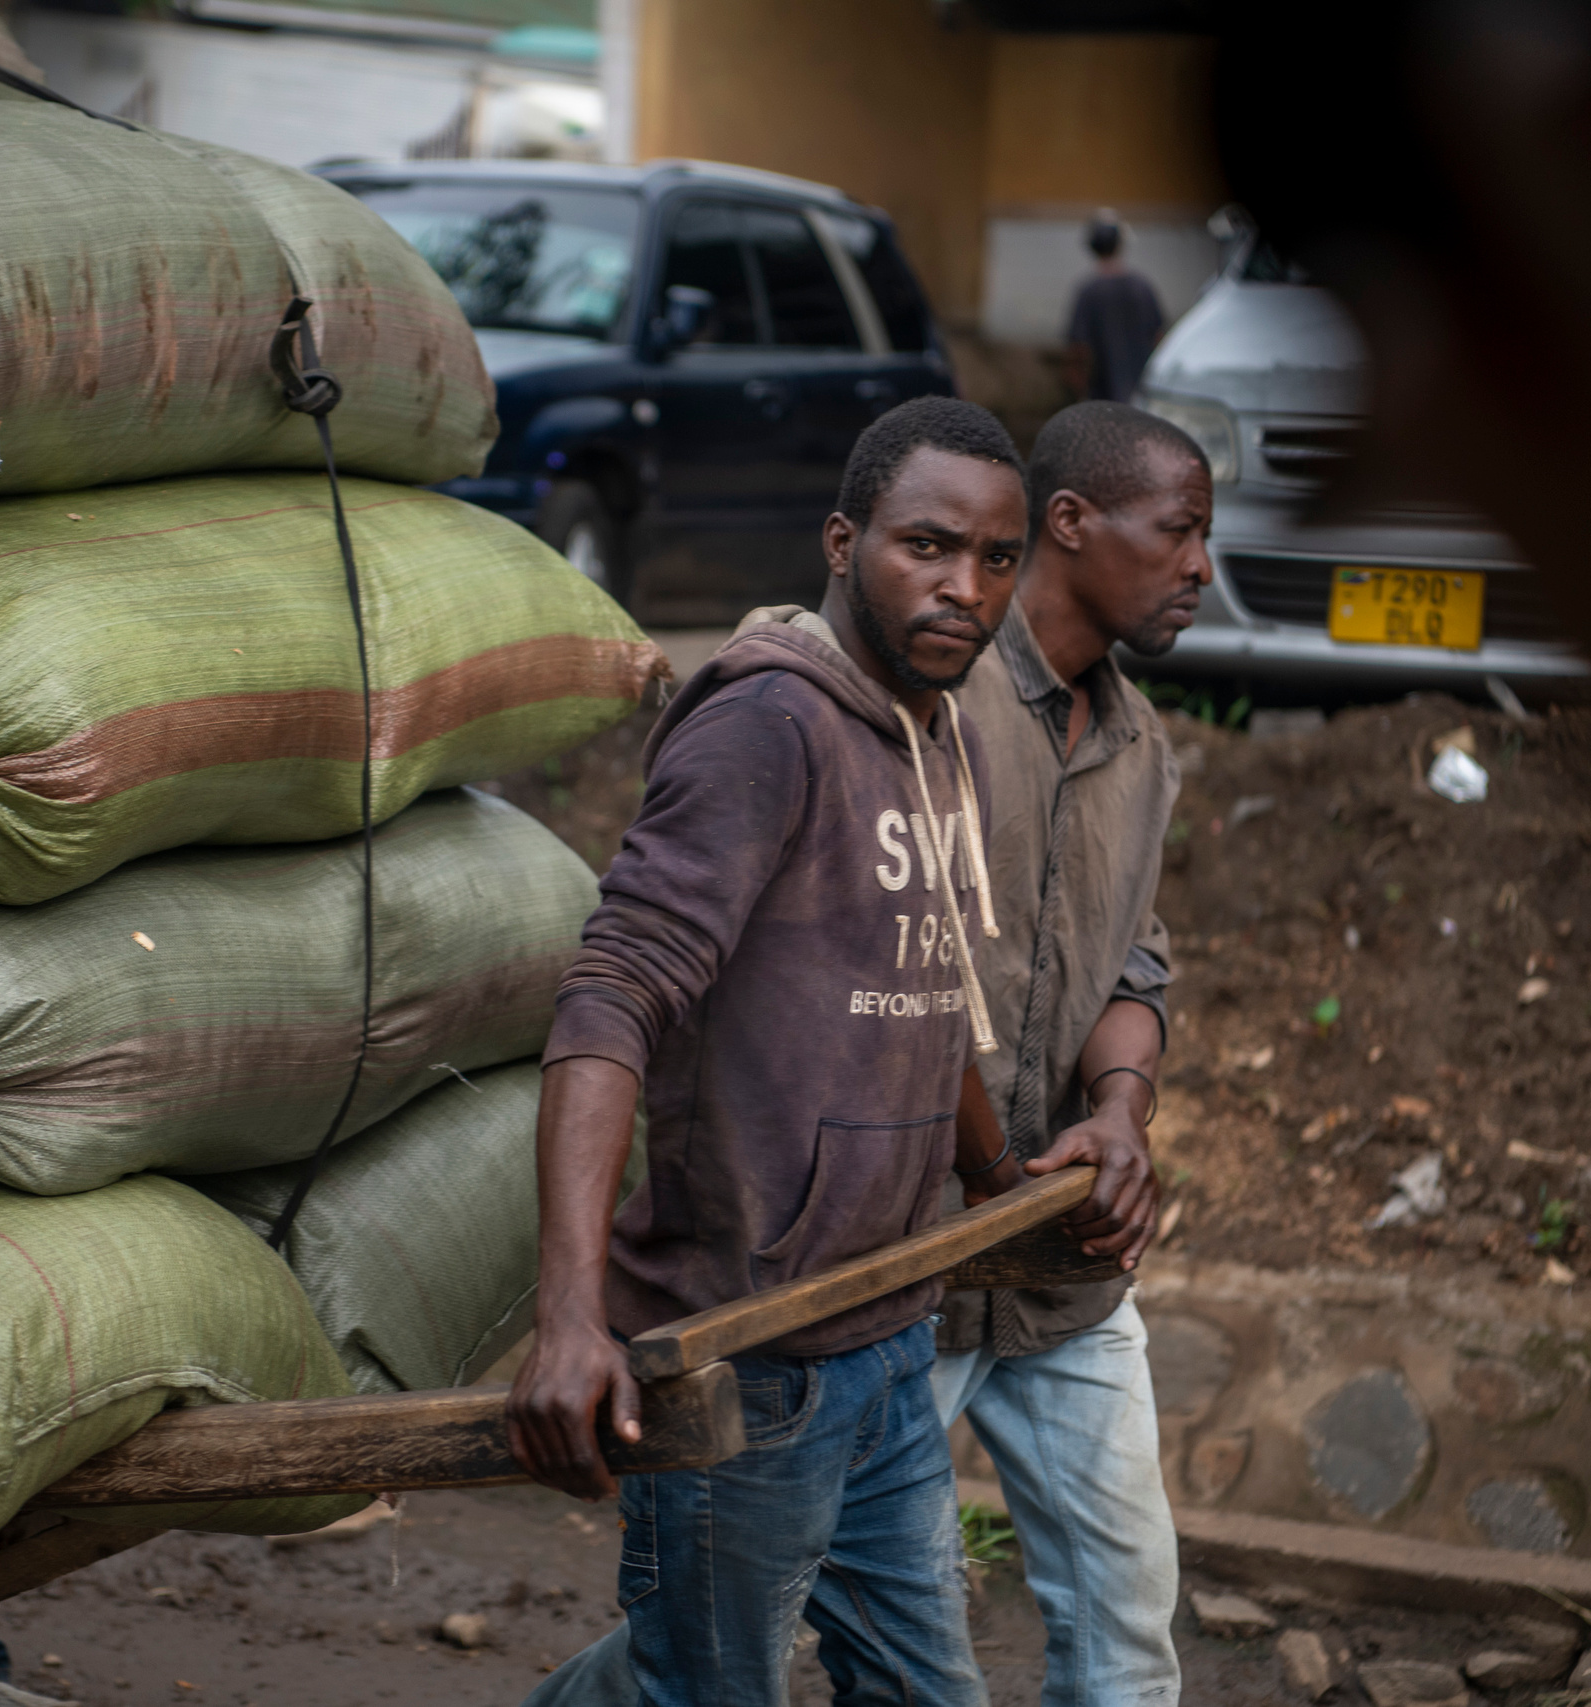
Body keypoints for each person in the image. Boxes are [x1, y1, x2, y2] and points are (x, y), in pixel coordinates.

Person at [507, 396, 1146, 1707]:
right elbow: (613, 994)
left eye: (997, 558)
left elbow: (924, 996)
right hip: (746, 1353)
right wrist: (567, 1315)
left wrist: (992, 1182)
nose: (966, 587)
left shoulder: (943, 731)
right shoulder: (768, 727)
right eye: (928, 546)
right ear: (843, 543)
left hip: (888, 1339)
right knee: (703, 1685)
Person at [931, 401, 1214, 1707]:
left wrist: (1120, 1110)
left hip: (1058, 1269)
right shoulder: (935, 696)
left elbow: (1130, 959)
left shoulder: (1139, 747)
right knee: (742, 1635)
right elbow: (890, 983)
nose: (1201, 565)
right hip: (899, 1273)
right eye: (1180, 530)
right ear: (1070, 521)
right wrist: (987, 1178)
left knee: (1127, 1635)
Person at [1063, 211, 1167, 402]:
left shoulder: (1088, 292)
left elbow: (1078, 349)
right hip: (1142, 396)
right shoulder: (1142, 288)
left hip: (1104, 401)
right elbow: (1159, 339)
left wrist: (1079, 389)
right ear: (1120, 244)